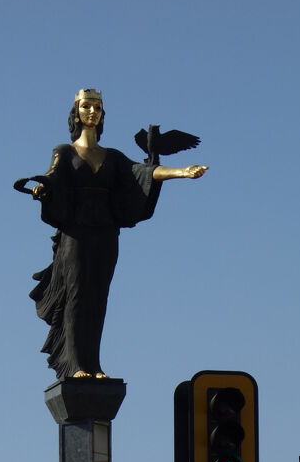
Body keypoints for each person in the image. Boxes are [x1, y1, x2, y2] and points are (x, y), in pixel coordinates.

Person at [17, 88, 207, 380]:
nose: (92, 112)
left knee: (99, 298)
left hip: (106, 232)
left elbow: (144, 172)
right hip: (76, 233)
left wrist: (182, 172)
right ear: (76, 113)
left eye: (97, 107)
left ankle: (94, 365)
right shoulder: (64, 151)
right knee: (77, 294)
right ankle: (75, 365)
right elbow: (54, 174)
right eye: (86, 107)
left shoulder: (113, 156)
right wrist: (43, 187)